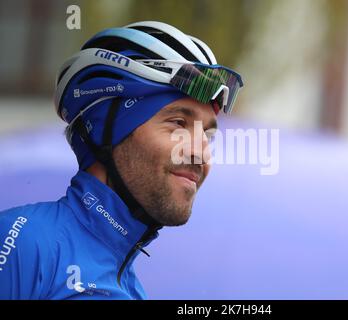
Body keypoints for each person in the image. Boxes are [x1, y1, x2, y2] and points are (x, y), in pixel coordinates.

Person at [0, 21, 243, 299]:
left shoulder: (131, 290)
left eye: (208, 134)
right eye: (178, 123)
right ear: (107, 131)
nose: (201, 153)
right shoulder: (20, 242)